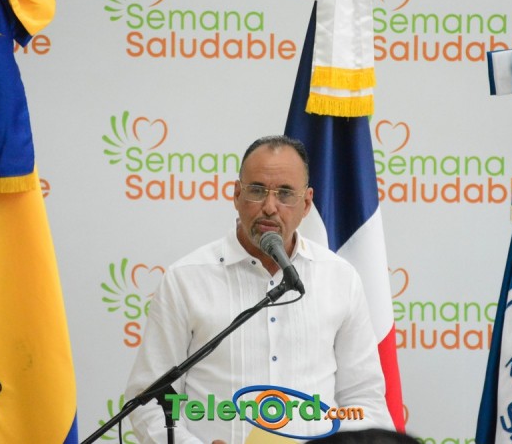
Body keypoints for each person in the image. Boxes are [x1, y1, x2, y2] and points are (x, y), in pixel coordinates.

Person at [125, 135, 394, 443]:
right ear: (237, 194)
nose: (269, 207)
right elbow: (150, 402)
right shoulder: (186, 279)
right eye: (257, 190)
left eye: (285, 194)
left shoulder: (340, 278)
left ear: (306, 203)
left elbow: (363, 398)